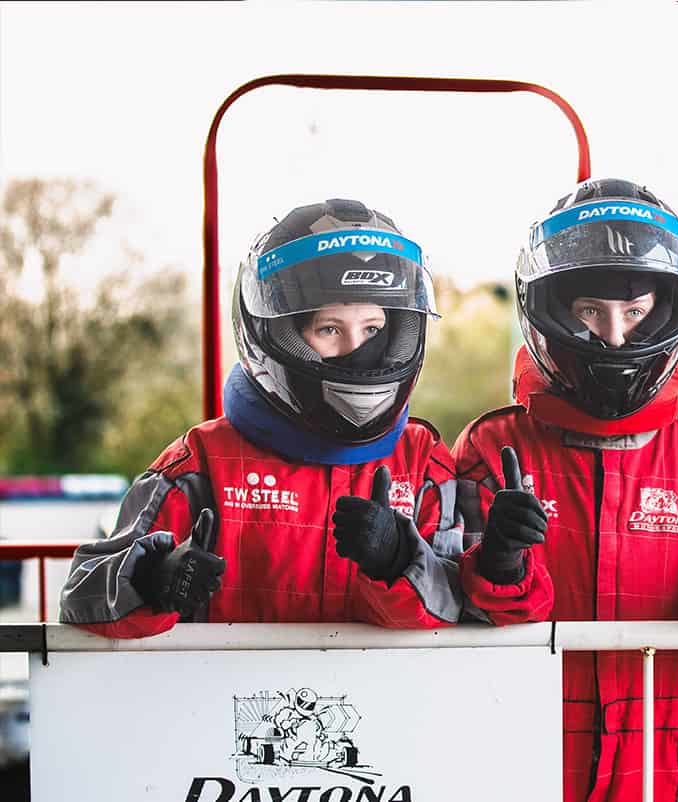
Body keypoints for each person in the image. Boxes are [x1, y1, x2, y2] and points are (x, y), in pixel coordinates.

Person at [454, 178, 678, 802]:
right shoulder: (493, 447)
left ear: (666, 311)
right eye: (589, 312)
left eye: (635, 313)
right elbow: (444, 609)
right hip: (520, 753)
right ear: (550, 312)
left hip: (660, 761)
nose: (615, 338)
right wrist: (497, 563)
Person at [59, 198, 462, 637]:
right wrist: (152, 579)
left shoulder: (423, 463)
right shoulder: (201, 463)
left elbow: (465, 609)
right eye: (329, 328)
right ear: (277, 335)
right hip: (225, 684)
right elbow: (80, 598)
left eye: (373, 329)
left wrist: (399, 560)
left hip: (388, 683)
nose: (356, 350)